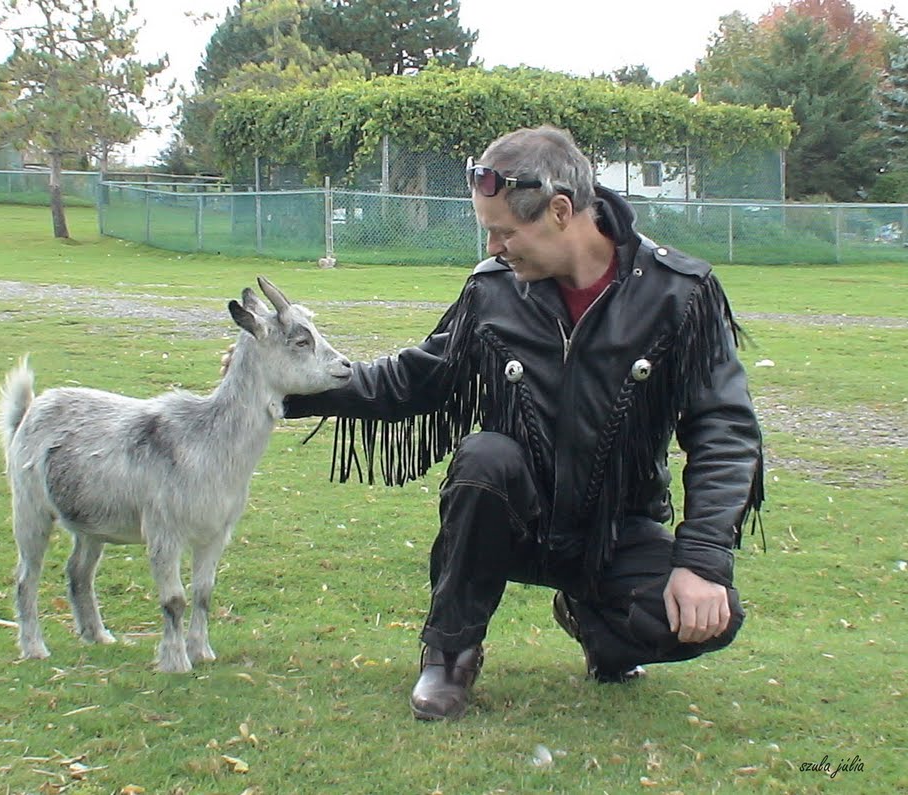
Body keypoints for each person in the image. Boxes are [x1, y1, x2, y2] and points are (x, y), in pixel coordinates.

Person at [282, 125, 764, 721]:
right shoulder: (492, 293)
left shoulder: (679, 294)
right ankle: (449, 654)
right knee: (485, 457)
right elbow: (413, 378)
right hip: (516, 518)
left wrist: (701, 561)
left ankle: (597, 624)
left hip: (615, 531)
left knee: (707, 620)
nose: (494, 246)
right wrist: (288, 390)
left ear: (561, 211)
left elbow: (724, 429)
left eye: (506, 231)